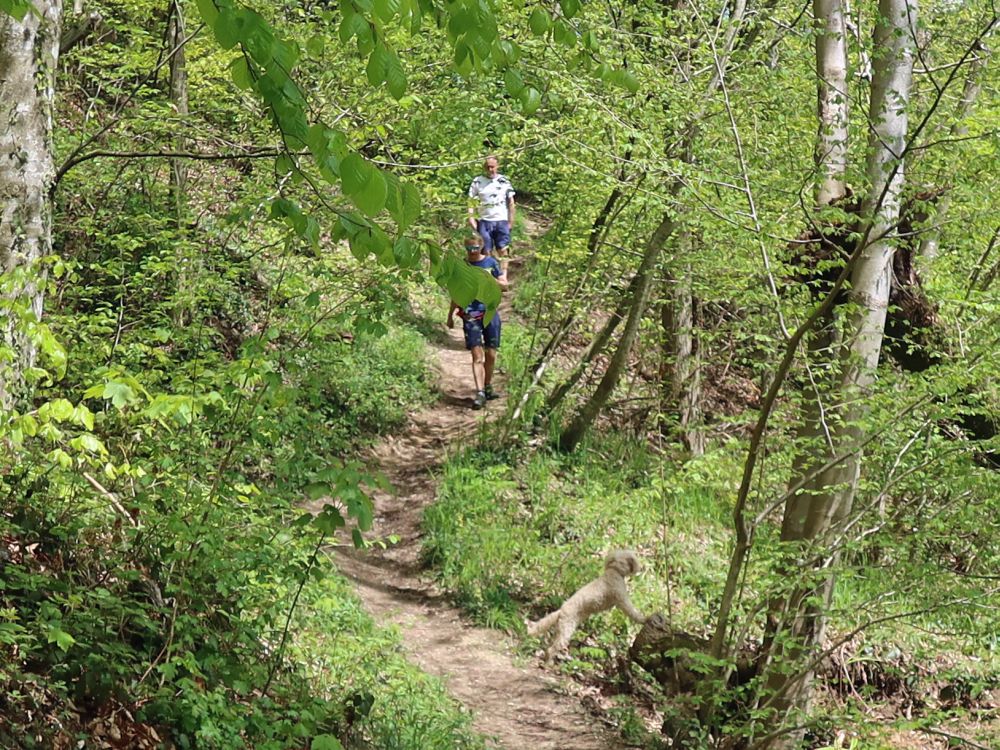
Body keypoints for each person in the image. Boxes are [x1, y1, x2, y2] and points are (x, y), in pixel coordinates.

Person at [447, 235, 509, 410]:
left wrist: (490, 280)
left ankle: (488, 386)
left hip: (490, 312)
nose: (472, 252)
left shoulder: (490, 263)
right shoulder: (462, 267)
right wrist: (450, 315)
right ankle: (480, 392)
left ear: (481, 247)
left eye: (475, 248)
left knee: (491, 354)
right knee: (477, 356)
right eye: (469, 249)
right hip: (470, 314)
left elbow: (505, 285)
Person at [468, 155, 516, 274]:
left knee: (503, 248)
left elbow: (511, 202)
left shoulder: (504, 181)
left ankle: (503, 275)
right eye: (488, 167)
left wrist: (511, 221)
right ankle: (489, 276)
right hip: (484, 220)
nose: (490, 169)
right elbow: (470, 202)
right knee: (485, 250)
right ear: (484, 167)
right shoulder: (477, 181)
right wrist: (471, 220)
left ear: (497, 166)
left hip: (501, 220)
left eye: (493, 167)